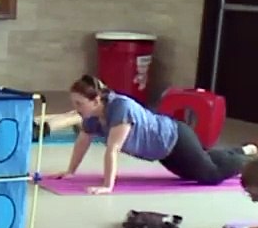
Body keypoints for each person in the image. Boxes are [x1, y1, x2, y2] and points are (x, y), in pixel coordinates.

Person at [58, 75, 257, 194]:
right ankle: (244, 149)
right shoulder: (91, 116)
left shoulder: (120, 107)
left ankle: (249, 162)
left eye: (79, 103)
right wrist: (70, 171)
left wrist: (107, 186)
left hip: (176, 139)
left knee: (210, 176)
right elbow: (82, 141)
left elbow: (113, 149)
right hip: (163, 153)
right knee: (199, 166)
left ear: (95, 100)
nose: (75, 108)